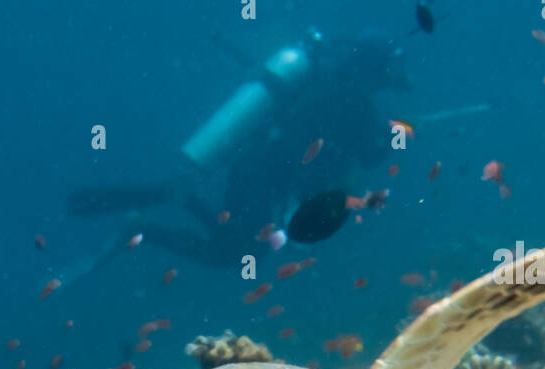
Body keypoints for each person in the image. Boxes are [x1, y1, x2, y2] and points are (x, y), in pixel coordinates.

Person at [67, 28, 409, 265]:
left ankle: (178, 202)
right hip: (265, 175)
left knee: (238, 243)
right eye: (390, 65)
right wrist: (405, 132)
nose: (394, 73)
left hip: (257, 167)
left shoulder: (326, 77)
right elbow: (370, 154)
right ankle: (145, 227)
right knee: (234, 251)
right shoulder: (354, 99)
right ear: (374, 65)